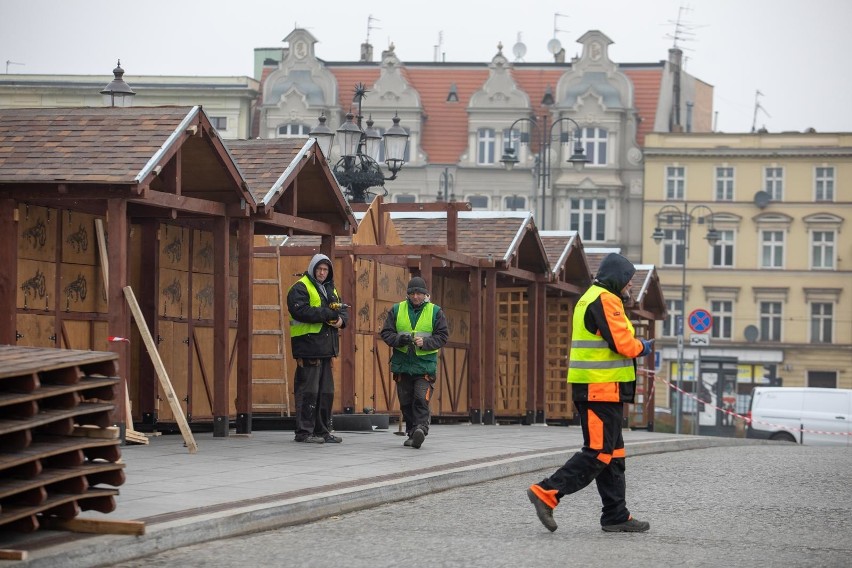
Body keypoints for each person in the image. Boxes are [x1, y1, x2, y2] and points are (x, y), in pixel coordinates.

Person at [526, 253, 653, 533]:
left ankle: (616, 515)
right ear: (617, 279)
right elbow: (623, 343)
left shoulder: (592, 296)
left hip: (604, 388)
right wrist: (643, 346)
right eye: (628, 282)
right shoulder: (606, 299)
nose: (630, 287)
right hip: (600, 389)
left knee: (613, 454)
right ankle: (546, 492)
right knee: (598, 453)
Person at [380, 276, 449, 449]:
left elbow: (442, 336)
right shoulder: (397, 310)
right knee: (405, 402)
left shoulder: (436, 311)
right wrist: (399, 339)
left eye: (419, 293)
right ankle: (412, 433)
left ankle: (421, 428)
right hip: (403, 365)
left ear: (425, 294)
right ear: (408, 294)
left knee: (420, 398)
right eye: (413, 293)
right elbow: (386, 333)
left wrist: (425, 343)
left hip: (424, 366)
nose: (416, 297)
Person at [287, 253, 348, 444]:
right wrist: (328, 313)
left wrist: (341, 321)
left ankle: (323, 430)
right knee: (308, 391)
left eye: (325, 269)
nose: (322, 272)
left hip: (325, 349)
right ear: (313, 268)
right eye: (319, 269)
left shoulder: (330, 288)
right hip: (308, 347)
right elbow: (301, 311)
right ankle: (304, 432)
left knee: (326, 392)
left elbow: (342, 310)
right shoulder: (300, 288)